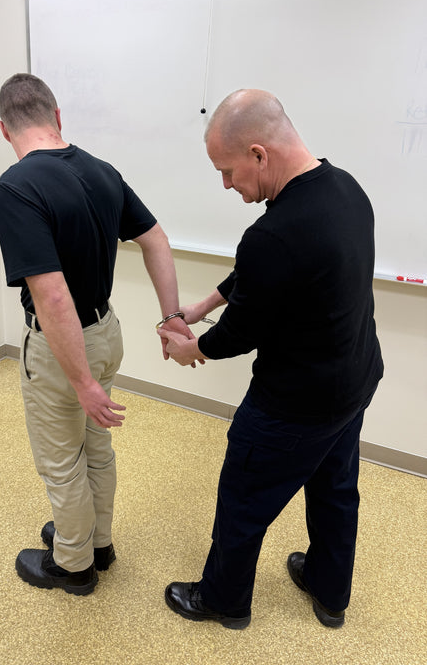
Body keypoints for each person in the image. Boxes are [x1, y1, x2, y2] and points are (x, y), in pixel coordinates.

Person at [159, 89, 383, 630]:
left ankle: (223, 601)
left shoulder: (273, 234)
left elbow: (241, 331)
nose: (226, 184)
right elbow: (264, 273)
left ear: (259, 154)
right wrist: (204, 304)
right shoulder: (345, 188)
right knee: (335, 489)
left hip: (294, 405)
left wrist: (193, 348)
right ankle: (330, 591)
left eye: (227, 171)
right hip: (353, 383)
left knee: (243, 498)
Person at [0, 73, 193, 596]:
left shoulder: (13, 188)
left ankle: (74, 565)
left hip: (62, 351)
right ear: (57, 117)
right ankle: (98, 543)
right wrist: (171, 317)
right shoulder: (102, 171)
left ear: (4, 129)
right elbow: (157, 240)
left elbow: (52, 297)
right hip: (106, 334)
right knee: (95, 446)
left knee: (62, 461)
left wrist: (80, 380)